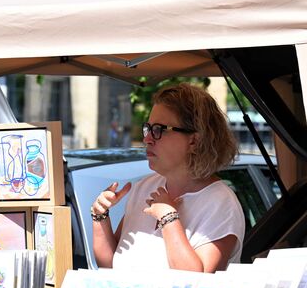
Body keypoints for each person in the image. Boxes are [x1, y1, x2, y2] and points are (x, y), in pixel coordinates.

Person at [92, 82, 244, 272]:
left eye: (159, 129)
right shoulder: (144, 187)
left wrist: (168, 217)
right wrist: (100, 216)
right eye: (148, 128)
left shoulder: (221, 204)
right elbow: (109, 264)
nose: (147, 138)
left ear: (194, 141)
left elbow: (196, 282)